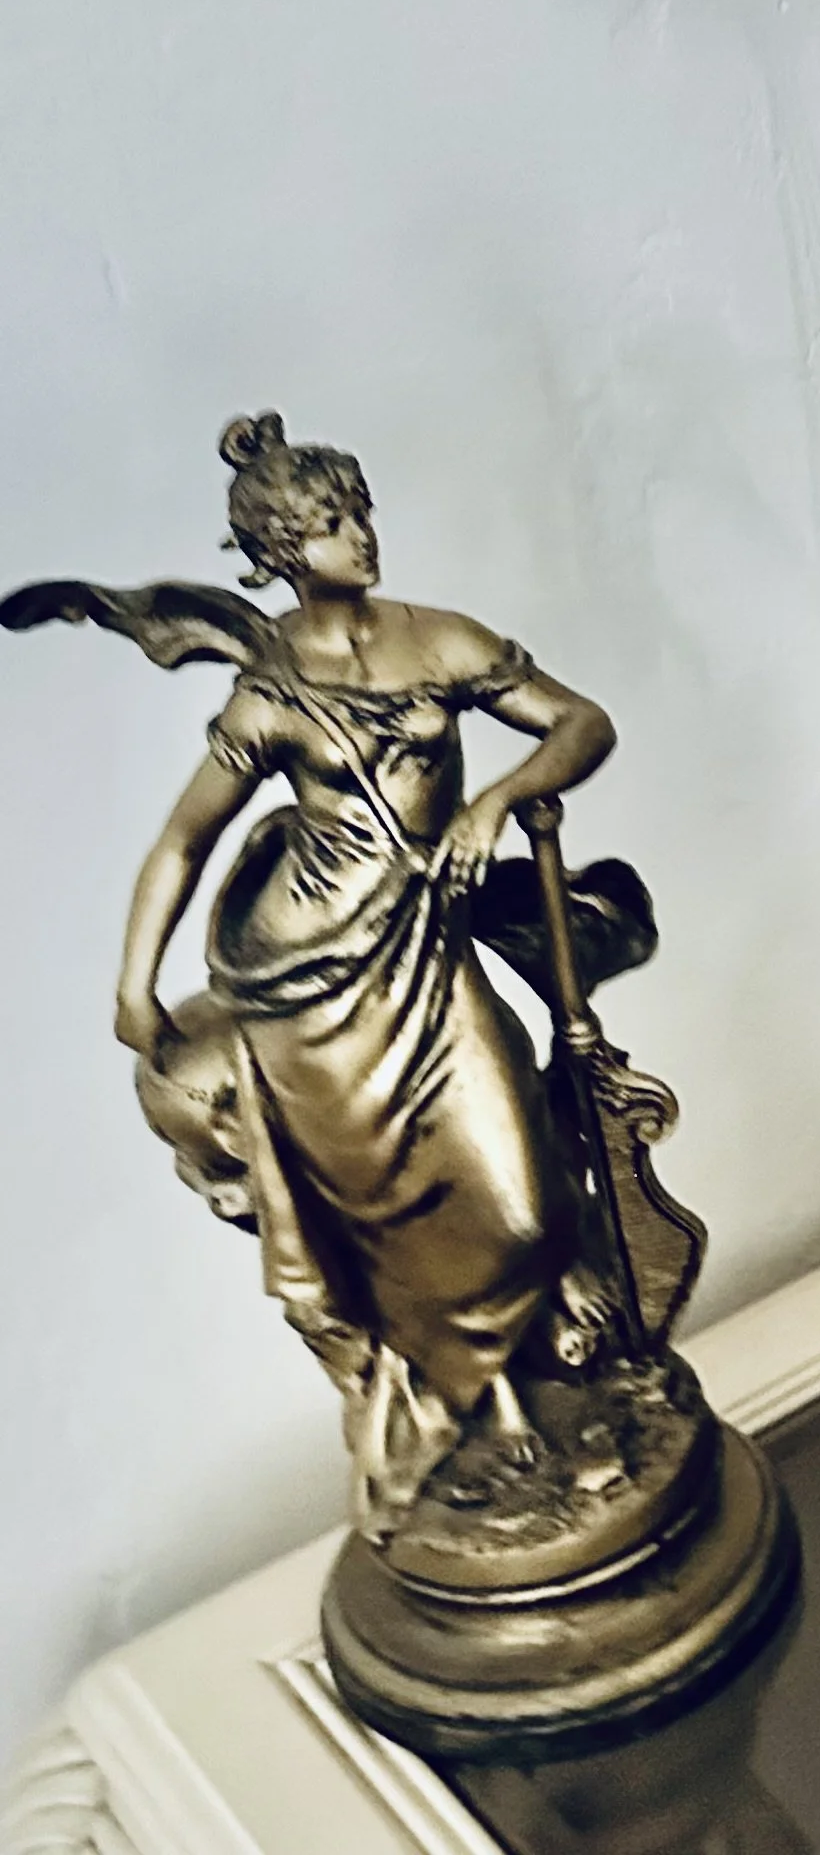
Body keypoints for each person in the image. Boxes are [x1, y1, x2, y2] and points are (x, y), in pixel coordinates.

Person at [32, 414, 619, 1534]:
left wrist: (495, 802)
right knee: (387, 1225)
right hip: (310, 984)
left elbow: (582, 724)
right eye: (332, 524)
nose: (362, 535)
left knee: (522, 1200)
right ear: (282, 551)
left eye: (360, 511)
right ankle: (488, 1413)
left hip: (426, 955)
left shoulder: (441, 640)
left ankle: (528, 1370)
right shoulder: (269, 696)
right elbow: (183, 841)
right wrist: (132, 983)